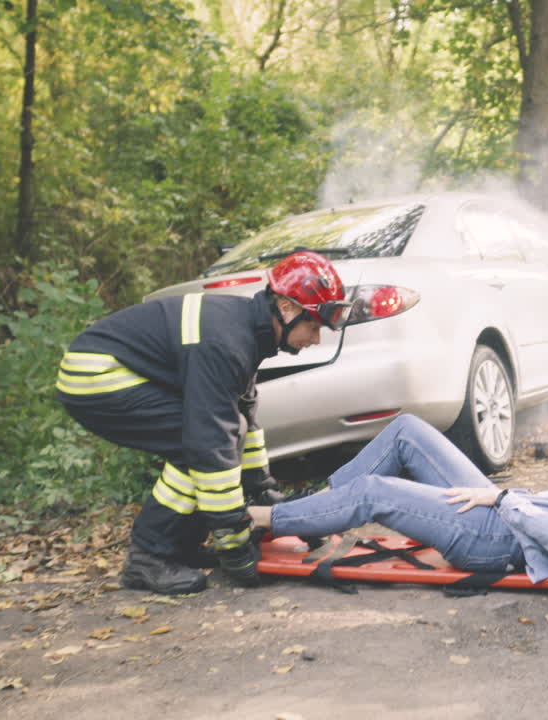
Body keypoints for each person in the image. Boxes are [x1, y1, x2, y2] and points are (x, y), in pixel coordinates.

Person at [56, 250, 350, 595]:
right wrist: (234, 539)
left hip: (109, 368)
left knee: (216, 437)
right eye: (313, 326)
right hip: (95, 377)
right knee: (195, 448)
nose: (315, 338)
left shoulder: (250, 332)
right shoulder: (228, 342)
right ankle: (147, 559)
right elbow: (211, 443)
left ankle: (179, 547)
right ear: (286, 308)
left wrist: (263, 491)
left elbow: (244, 420)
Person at [248, 414, 548, 581]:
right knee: (406, 431)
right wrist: (501, 499)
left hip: (494, 540)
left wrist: (501, 500)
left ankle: (261, 518)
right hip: (505, 511)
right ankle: (318, 509)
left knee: (374, 492)